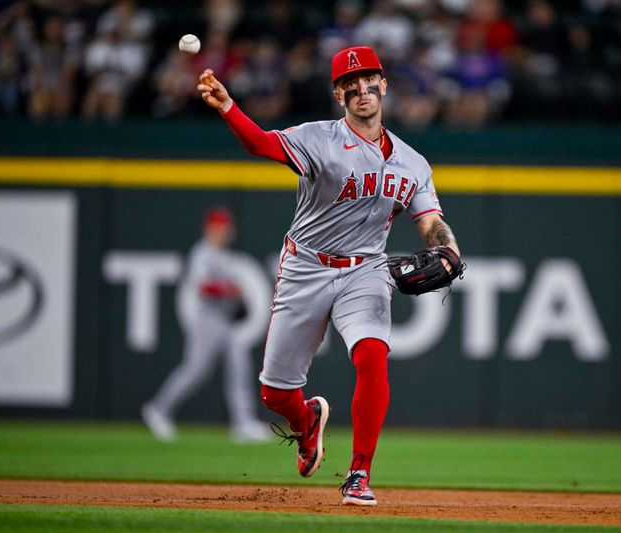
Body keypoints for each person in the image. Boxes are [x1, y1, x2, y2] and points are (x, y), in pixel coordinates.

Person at [196, 45, 461, 506]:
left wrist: (449, 248)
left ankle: (359, 473)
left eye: (370, 81)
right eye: (350, 84)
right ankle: (306, 424)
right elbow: (261, 143)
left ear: (383, 86)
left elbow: (429, 222)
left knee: (372, 354)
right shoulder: (317, 138)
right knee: (275, 394)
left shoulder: (414, 163)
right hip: (305, 266)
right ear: (339, 93)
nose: (363, 90)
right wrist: (228, 107)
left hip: (366, 268)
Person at [142, 207, 271, 444]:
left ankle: (243, 423)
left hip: (223, 320)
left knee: (238, 366)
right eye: (219, 228)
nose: (224, 232)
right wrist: (230, 290)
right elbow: (203, 287)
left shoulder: (222, 256)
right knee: (196, 369)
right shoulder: (201, 253)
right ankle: (158, 408)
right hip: (206, 320)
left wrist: (234, 296)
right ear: (209, 228)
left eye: (226, 228)